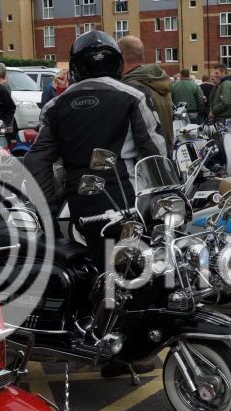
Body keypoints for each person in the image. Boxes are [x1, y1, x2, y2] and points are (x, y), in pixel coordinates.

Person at [25, 31, 164, 377]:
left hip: (82, 204)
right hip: (126, 199)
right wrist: (166, 196)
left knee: (97, 268)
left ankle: (97, 336)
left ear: (76, 66)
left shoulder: (57, 105)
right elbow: (154, 150)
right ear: (117, 63)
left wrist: (45, 212)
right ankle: (123, 351)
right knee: (136, 273)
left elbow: (38, 161)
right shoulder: (133, 96)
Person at [119, 35, 173, 147]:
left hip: (145, 158)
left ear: (121, 55)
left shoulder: (130, 88)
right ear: (142, 56)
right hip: (165, 150)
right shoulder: (158, 80)